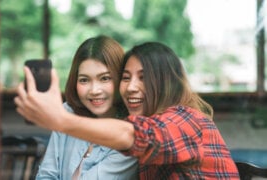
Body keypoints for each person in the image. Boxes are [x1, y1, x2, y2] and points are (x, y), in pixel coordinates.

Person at [15, 42, 240, 179]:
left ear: (166, 82)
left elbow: (134, 135)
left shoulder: (187, 120)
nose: (131, 87)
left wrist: (60, 121)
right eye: (126, 77)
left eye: (143, 78)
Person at [34, 35, 138, 179]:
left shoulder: (132, 132)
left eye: (105, 78)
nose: (94, 90)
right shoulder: (67, 112)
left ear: (121, 78)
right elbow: (45, 175)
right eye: (84, 80)